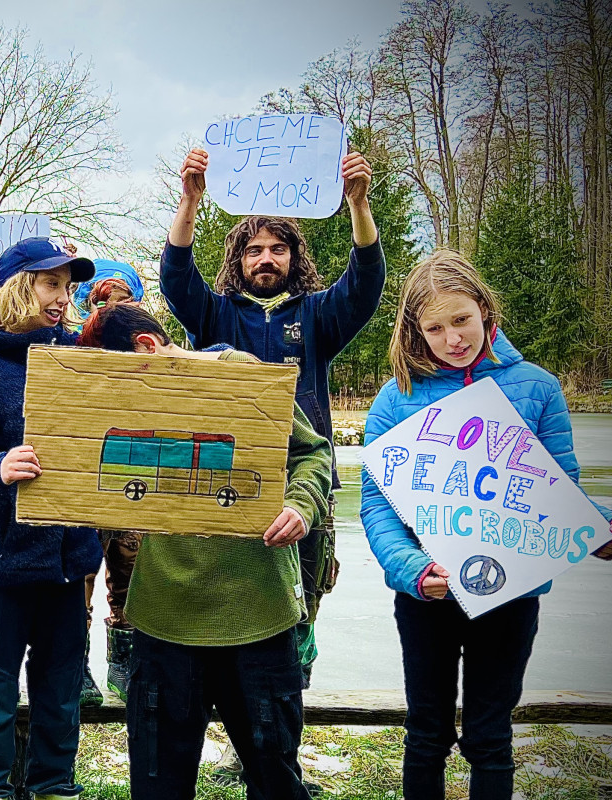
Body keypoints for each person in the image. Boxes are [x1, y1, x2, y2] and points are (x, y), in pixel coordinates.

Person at [361, 250, 612, 800]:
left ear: (484, 309)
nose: (452, 338)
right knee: (426, 734)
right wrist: (411, 569)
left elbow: (559, 489)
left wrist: (603, 527)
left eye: (461, 319)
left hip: (512, 591)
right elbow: (378, 504)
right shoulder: (395, 397)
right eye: (434, 328)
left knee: (490, 736)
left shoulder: (538, 387)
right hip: (427, 595)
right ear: (416, 330)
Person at [161, 148, 383, 781]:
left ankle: (275, 742)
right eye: (253, 250)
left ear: (293, 258)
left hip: (302, 494)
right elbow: (176, 278)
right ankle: (234, 730)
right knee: (230, 610)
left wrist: (359, 205)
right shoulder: (214, 317)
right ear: (238, 260)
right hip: (221, 491)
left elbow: (366, 282)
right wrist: (191, 199)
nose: (265, 259)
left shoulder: (318, 318)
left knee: (298, 612)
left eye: (277, 249)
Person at [79, 301, 332, 799]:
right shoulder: (120, 404)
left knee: (275, 777)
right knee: (158, 783)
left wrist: (301, 506)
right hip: (163, 620)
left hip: (257, 614)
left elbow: (312, 451)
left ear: (146, 349)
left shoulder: (240, 375)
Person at [0, 237, 102, 800]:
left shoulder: (82, 365)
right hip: (1, 572)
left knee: (60, 694)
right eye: (51, 283)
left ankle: (54, 785)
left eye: (68, 286)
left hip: (68, 565)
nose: (62, 297)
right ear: (19, 287)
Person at [73, 263, 146, 702]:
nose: (110, 308)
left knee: (132, 569)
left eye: (121, 299)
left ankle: (124, 660)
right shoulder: (76, 349)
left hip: (137, 477)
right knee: (81, 568)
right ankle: (78, 664)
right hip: (88, 479)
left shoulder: (149, 347)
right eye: (101, 300)